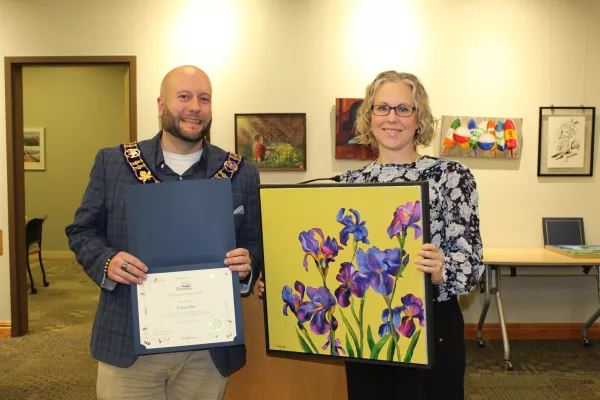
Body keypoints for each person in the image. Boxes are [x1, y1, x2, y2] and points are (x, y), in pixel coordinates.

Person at [257, 70, 484, 399]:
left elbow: (471, 266)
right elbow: (335, 258)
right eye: (382, 108)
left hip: (430, 326)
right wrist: (278, 277)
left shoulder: (450, 176)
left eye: (404, 109)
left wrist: (441, 268)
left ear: (419, 118)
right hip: (367, 334)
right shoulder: (348, 183)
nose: (392, 118)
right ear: (369, 116)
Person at [66, 65, 262, 400]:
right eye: (183, 97)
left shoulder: (240, 173)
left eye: (204, 98)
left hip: (207, 351)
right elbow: (82, 230)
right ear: (161, 105)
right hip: (129, 347)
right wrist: (107, 260)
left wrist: (248, 266)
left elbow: (255, 245)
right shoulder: (114, 163)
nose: (194, 107)